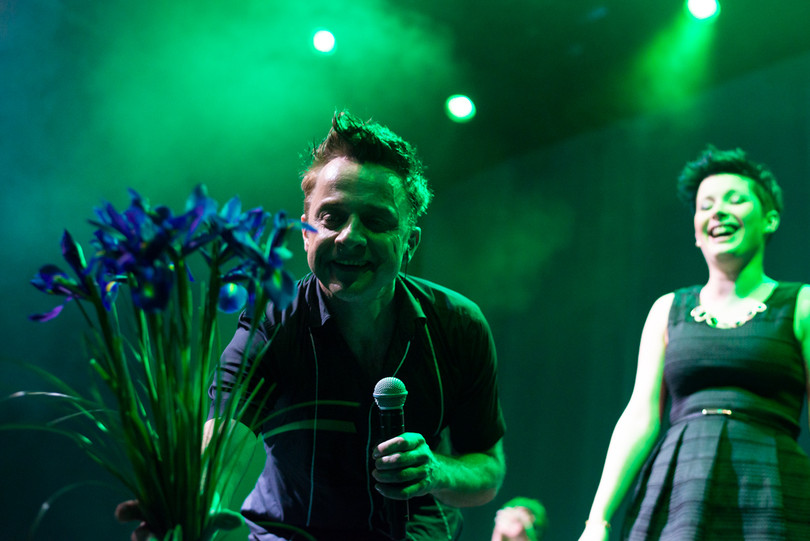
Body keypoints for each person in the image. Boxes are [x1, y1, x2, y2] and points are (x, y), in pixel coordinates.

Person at [204, 110, 506, 540]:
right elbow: (222, 442)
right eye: (332, 217)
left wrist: (436, 472)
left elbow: (488, 470)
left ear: (409, 243)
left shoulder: (459, 325)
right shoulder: (271, 320)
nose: (350, 236)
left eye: (376, 220)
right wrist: (190, 506)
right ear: (305, 232)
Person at [578, 146, 810, 540]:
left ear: (769, 219)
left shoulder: (801, 304)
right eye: (706, 206)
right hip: (681, 483)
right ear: (697, 233)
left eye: (734, 200)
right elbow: (640, 416)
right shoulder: (668, 309)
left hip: (771, 482)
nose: (718, 212)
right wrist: (596, 521)